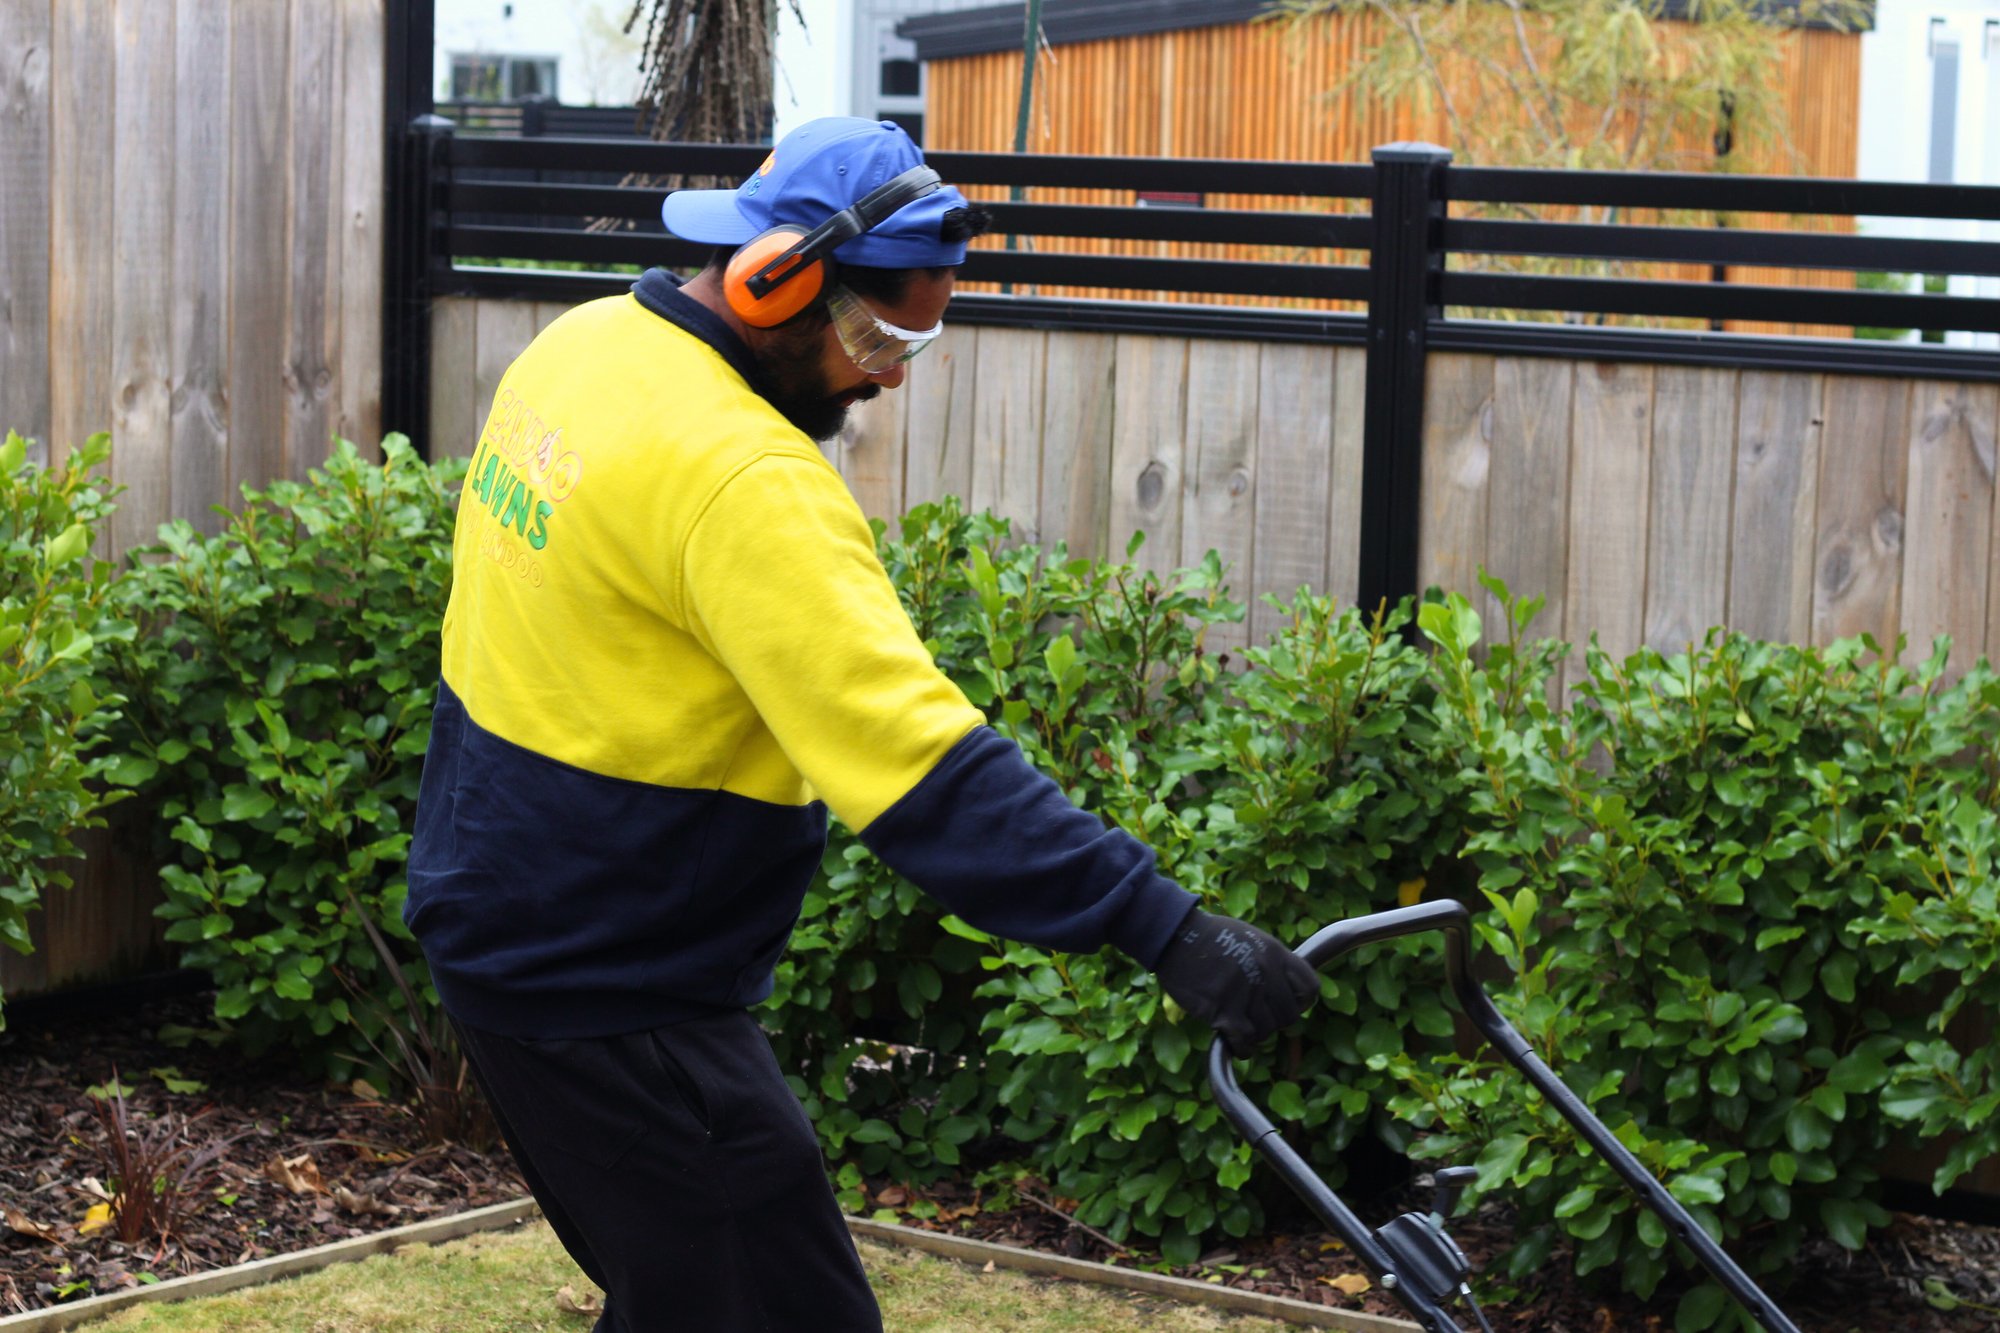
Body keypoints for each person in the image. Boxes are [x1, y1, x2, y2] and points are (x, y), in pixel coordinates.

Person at [403, 117, 1317, 1333]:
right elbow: (925, 770)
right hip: (607, 989)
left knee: (694, 1294)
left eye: (913, 345)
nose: (886, 374)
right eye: (877, 335)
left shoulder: (580, 350)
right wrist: (1169, 930)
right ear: (772, 277)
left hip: (499, 927)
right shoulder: (742, 482)